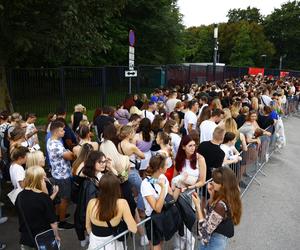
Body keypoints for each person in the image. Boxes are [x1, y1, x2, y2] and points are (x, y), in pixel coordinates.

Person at [192, 167, 242, 250]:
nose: (212, 182)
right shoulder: (231, 195)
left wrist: (197, 205)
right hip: (219, 238)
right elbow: (212, 213)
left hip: (213, 242)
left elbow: (204, 233)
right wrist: (212, 195)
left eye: (215, 181)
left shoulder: (220, 206)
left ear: (223, 185)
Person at [86, 173, 137, 250]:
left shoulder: (92, 202)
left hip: (94, 242)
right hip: (113, 243)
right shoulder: (122, 203)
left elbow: (87, 226)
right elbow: (133, 229)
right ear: (117, 188)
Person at [75, 151, 115, 247]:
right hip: (98, 217)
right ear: (93, 163)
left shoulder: (100, 175)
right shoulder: (90, 183)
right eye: (100, 162)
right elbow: (91, 206)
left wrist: (111, 167)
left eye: (104, 161)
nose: (103, 164)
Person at [141, 154, 180, 250]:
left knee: (161, 245)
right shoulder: (146, 184)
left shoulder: (163, 177)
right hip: (153, 220)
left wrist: (179, 186)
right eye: (166, 165)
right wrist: (163, 188)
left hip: (164, 217)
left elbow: (172, 198)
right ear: (160, 168)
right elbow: (157, 208)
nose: (168, 167)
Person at [16, 166, 60, 250]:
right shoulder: (43, 198)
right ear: (39, 181)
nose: (46, 180)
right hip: (42, 239)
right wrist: (57, 236)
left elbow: (36, 206)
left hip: (26, 238)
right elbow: (53, 222)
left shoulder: (20, 196)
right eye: (44, 179)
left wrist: (51, 194)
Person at [47, 120, 75, 229]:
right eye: (62, 130)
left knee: (59, 198)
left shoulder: (51, 140)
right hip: (63, 176)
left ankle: (59, 216)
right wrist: (72, 153)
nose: (64, 131)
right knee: (65, 199)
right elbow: (70, 157)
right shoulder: (56, 145)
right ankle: (62, 222)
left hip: (57, 173)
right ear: (56, 131)